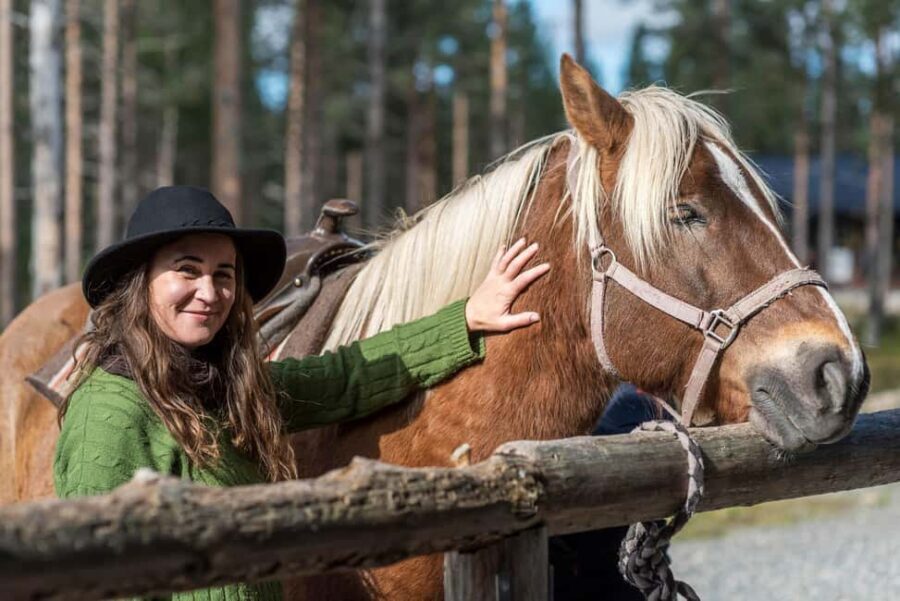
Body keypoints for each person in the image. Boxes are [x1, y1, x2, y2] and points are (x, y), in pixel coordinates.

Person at [53, 185, 550, 601]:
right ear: (140, 282)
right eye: (187, 269)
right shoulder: (110, 411)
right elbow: (99, 583)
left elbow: (347, 376)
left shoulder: (230, 390)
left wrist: (465, 319)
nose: (210, 292)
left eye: (224, 274)